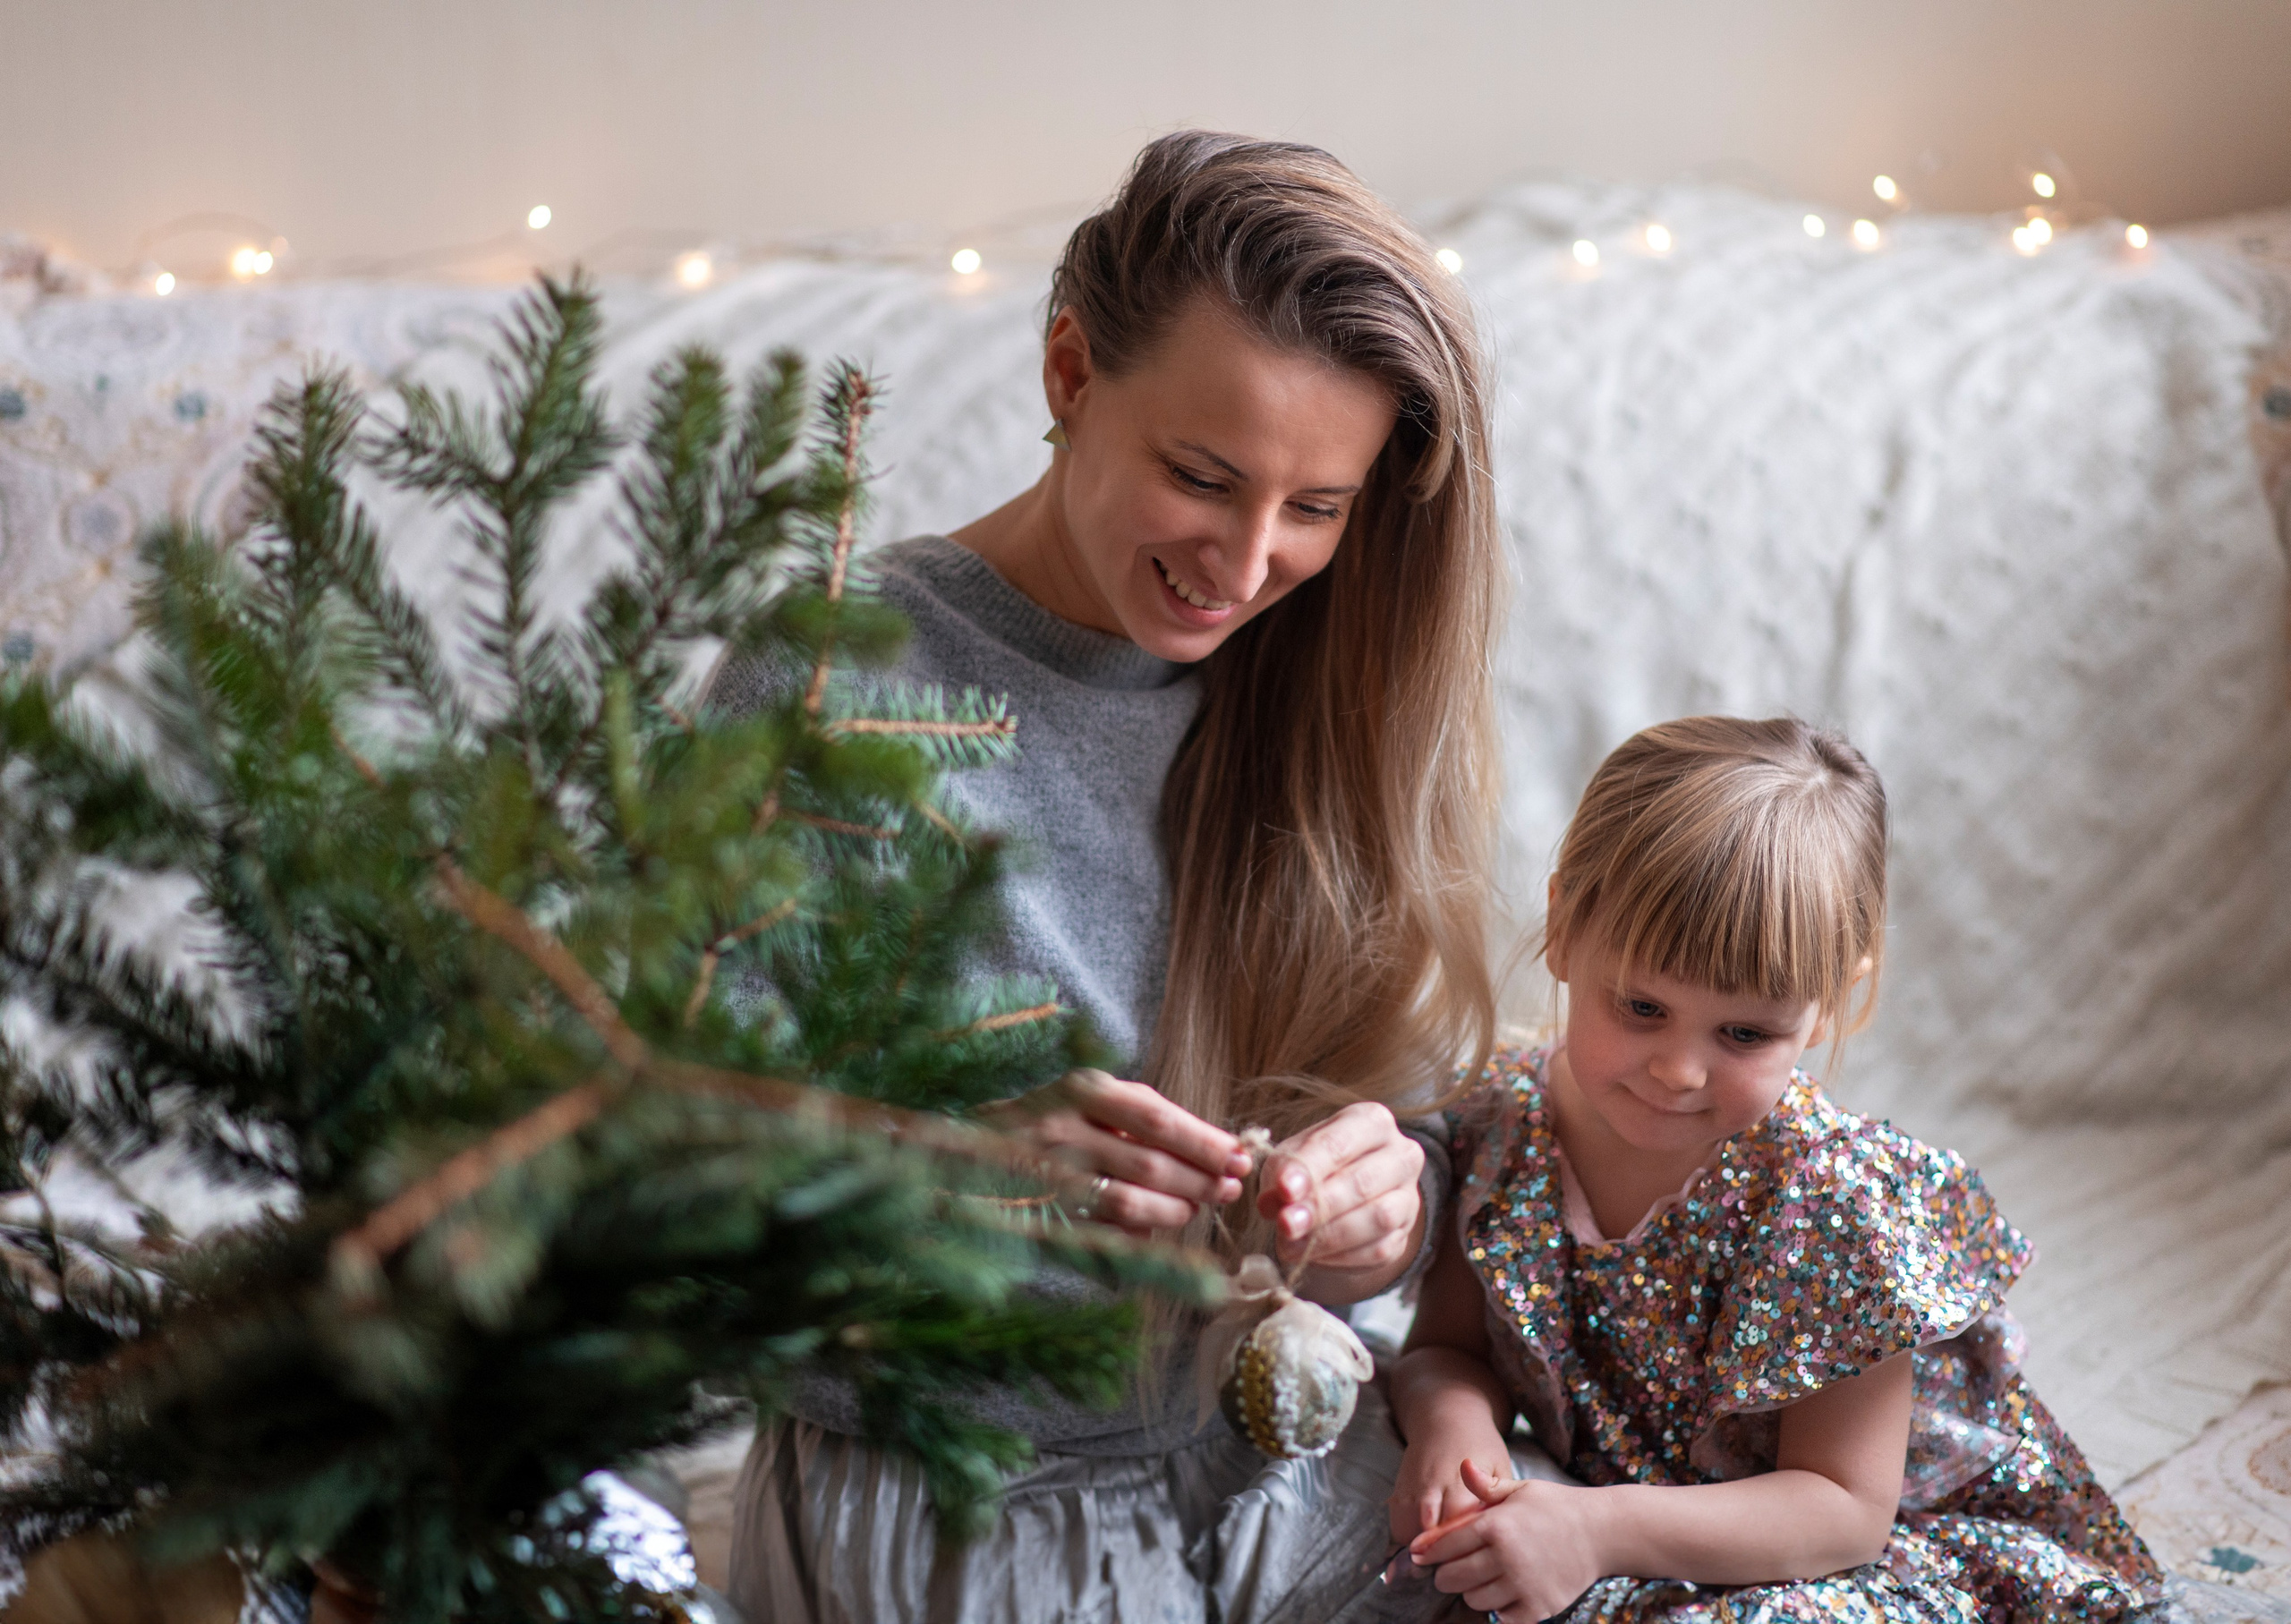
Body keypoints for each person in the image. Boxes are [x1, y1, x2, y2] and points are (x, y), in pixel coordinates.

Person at [716, 131, 1504, 1623]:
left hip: (1273, 1449)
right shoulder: (834, 675)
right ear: (1071, 376)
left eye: (1318, 508)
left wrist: (1385, 1203)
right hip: (951, 1475)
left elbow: (1414, 1131)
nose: (1247, 561)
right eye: (1204, 476)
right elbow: (640, 1175)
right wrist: (951, 1174)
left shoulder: (1327, 690)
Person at [1388, 716, 2164, 1623]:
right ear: (1564, 928)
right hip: (1615, 1518)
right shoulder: (1503, 1125)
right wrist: (1455, 1425)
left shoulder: (1828, 1200)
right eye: (1640, 1006)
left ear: (1829, 1003)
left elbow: (1843, 1510)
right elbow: (1443, 1346)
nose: (1678, 1069)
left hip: (1829, 1546)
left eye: (1744, 1034)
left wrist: (1597, 1531)